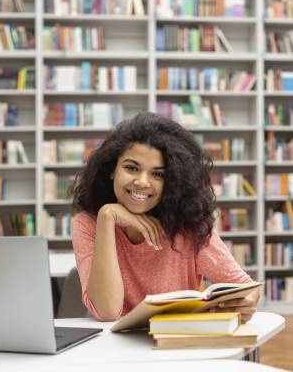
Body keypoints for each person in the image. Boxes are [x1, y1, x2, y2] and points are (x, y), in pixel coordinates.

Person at [71, 112, 260, 322]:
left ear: (172, 181)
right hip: (116, 349)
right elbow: (107, 311)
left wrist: (246, 303)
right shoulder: (88, 224)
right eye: (131, 168)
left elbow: (245, 287)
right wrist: (107, 216)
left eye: (158, 174)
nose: (142, 182)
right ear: (111, 170)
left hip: (176, 344)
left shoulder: (188, 226)